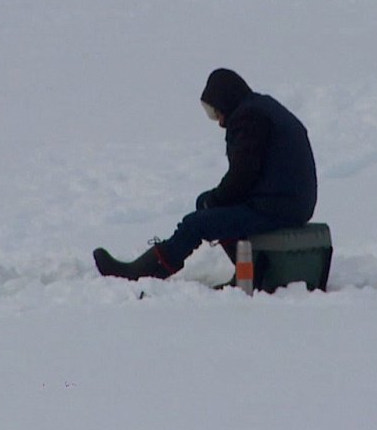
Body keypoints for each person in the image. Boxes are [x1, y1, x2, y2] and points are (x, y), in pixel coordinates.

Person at [93, 68, 317, 281]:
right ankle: (248, 271)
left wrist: (215, 200)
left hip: (277, 207)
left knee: (196, 223)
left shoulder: (249, 118)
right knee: (207, 205)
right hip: (286, 202)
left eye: (216, 112)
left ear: (227, 101)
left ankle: (142, 273)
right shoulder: (260, 108)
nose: (219, 121)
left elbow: (242, 175)